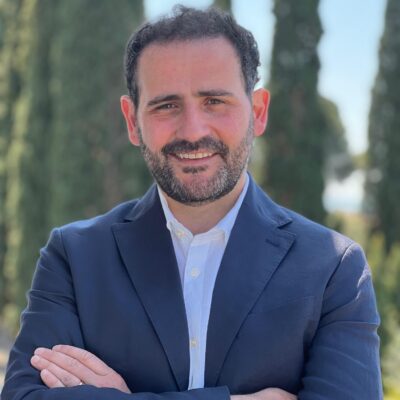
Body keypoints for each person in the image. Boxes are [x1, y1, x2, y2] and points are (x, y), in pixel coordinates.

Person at [1, 6, 382, 400]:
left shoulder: (333, 268)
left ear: (258, 111)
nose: (193, 130)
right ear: (132, 121)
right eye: (166, 105)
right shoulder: (74, 257)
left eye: (214, 101)